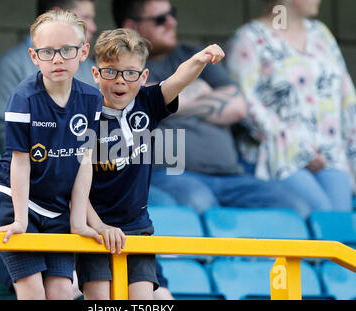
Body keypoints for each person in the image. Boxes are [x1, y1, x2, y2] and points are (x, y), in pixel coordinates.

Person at [112, 0, 310, 217]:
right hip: (170, 175)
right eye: (160, 19)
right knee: (204, 206)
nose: (172, 22)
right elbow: (132, 105)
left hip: (231, 175)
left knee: (295, 209)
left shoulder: (195, 55)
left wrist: (164, 102)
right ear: (132, 26)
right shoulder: (119, 66)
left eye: (172, 14)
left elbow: (237, 107)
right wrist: (199, 91)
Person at [76, 27, 225, 300]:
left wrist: (200, 59)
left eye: (130, 73)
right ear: (96, 74)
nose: (121, 81)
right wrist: (96, 225)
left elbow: (179, 79)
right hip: (95, 229)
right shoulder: (84, 114)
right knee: (100, 299)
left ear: (143, 77)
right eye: (111, 72)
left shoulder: (148, 102)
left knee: (143, 300)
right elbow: (74, 186)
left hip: (137, 227)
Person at [0, 10, 106, 300]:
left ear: (83, 52)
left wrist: (78, 220)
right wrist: (19, 220)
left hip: (57, 208)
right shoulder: (23, 97)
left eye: (67, 50)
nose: (57, 59)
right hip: (17, 200)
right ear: (33, 55)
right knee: (32, 291)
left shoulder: (92, 99)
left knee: (62, 291)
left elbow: (84, 163)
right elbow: (19, 161)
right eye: (48, 52)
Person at [226, 0, 356, 212]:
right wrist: (300, 148)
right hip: (277, 156)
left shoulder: (321, 33)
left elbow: (347, 99)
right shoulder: (249, 39)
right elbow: (245, 103)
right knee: (320, 214)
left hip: (331, 155)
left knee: (341, 222)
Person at [0, 0, 98, 153]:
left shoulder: (91, 69)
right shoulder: (10, 65)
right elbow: (5, 133)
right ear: (57, 14)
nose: (93, 27)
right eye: (85, 18)